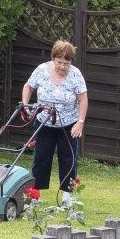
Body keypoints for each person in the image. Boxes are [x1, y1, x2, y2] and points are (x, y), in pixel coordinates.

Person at [22, 39, 88, 204]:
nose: (63, 66)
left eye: (67, 63)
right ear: (53, 59)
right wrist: (25, 106)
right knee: (41, 159)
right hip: (44, 123)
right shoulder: (41, 70)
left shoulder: (75, 74)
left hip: (68, 125)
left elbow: (83, 99)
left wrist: (80, 122)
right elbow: (28, 87)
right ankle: (35, 195)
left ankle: (67, 196)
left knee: (68, 159)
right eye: (59, 62)